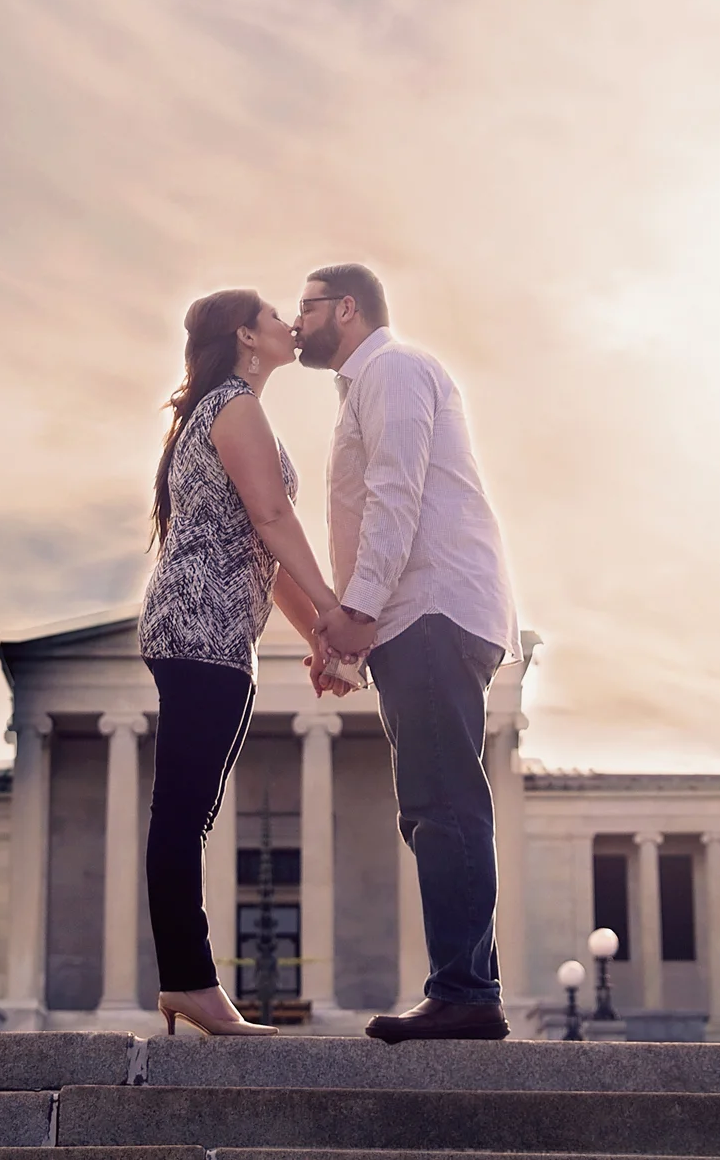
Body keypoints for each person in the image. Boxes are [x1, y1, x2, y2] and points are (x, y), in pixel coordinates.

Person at [296, 263, 521, 1043]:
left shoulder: (390, 368)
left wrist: (356, 609)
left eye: (309, 306)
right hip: (418, 611)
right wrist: (352, 643)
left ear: (347, 308)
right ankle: (466, 986)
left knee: (444, 801)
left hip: (430, 607)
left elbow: (398, 491)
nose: (297, 322)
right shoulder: (367, 385)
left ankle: (465, 991)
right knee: (434, 802)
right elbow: (370, 510)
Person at [138, 287, 349, 1036]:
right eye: (270, 314)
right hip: (201, 625)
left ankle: (189, 983)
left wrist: (320, 629)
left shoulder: (231, 407)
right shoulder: (234, 404)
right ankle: (191, 982)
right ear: (244, 335)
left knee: (189, 813)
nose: (285, 322)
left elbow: (266, 550)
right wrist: (335, 608)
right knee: (183, 814)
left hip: (218, 632)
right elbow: (272, 517)